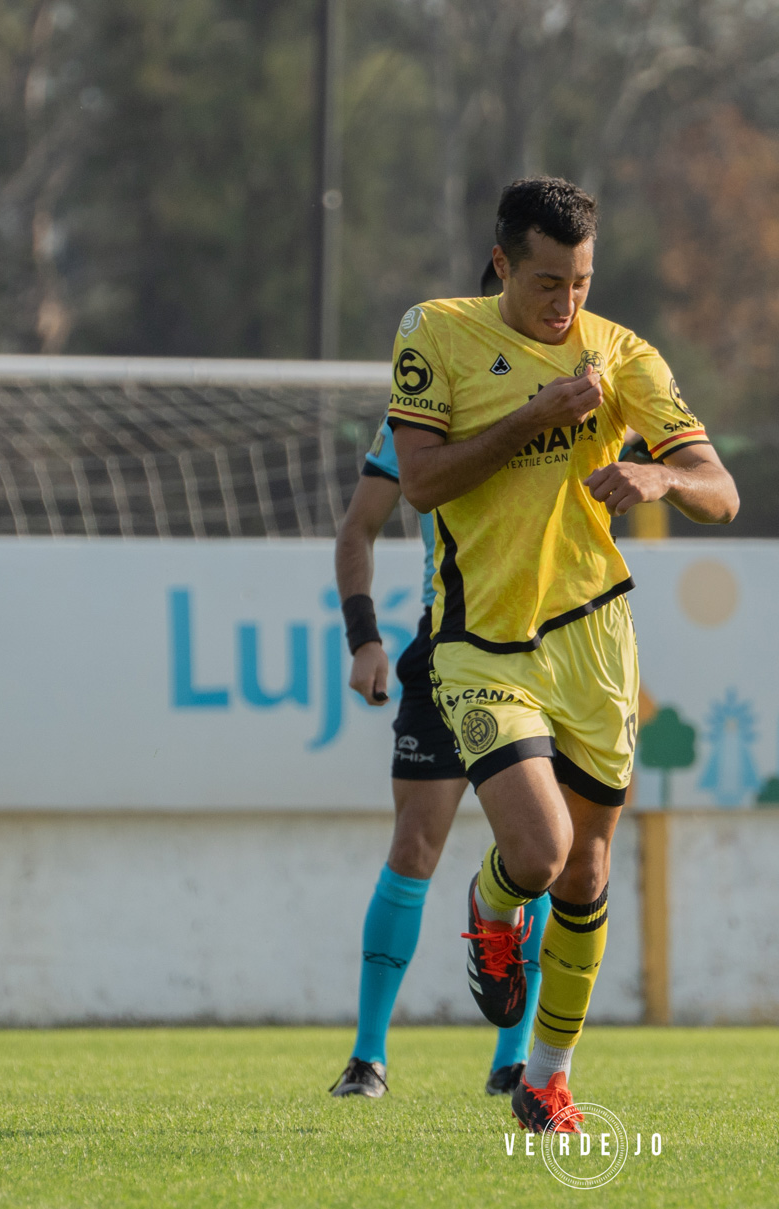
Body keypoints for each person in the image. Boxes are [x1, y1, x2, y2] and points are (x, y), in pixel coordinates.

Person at [387, 177, 738, 1132]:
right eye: (548, 283)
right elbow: (419, 484)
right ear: (502, 263)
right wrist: (531, 420)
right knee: (536, 854)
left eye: (581, 282)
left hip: (593, 639)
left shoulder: (620, 352)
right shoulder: (436, 332)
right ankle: (490, 908)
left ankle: (547, 1080)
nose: (566, 304)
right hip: (479, 641)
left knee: (586, 872)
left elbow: (722, 489)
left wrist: (662, 473)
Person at [327, 412, 552, 1100]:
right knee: (415, 844)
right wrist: (364, 637)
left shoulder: (567, 395)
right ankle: (368, 1059)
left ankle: (513, 1056)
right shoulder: (422, 411)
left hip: (543, 651)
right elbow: (358, 526)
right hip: (448, 648)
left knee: (541, 852)